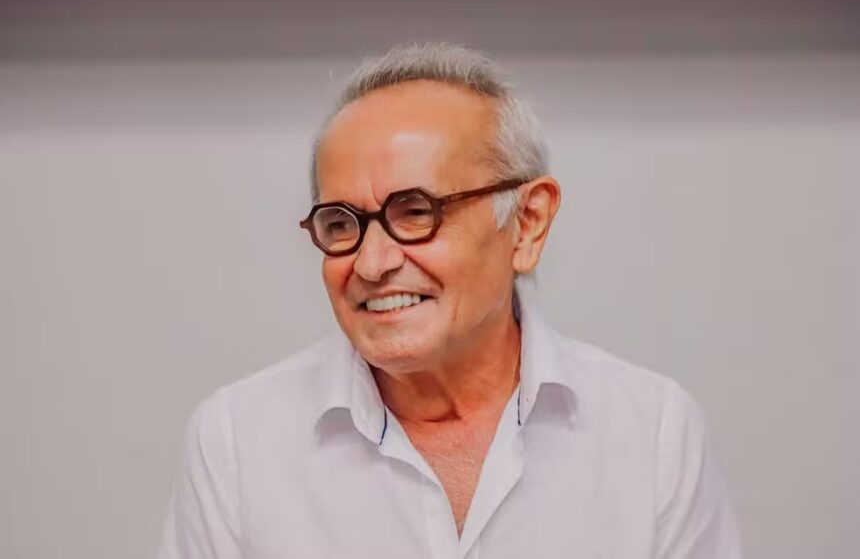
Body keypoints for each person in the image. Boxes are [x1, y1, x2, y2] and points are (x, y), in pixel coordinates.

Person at [158, 43, 744, 558]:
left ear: (527, 224)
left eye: (416, 212)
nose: (371, 264)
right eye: (340, 223)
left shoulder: (654, 433)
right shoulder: (237, 439)